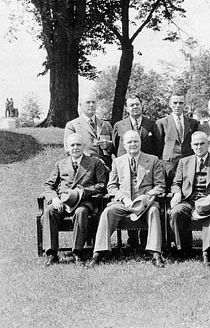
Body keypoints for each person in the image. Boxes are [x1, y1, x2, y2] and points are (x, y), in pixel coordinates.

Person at [88, 130, 166, 268]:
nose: (133, 144)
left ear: (140, 143)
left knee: (154, 211)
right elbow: (111, 186)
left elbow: (160, 185)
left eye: (135, 141)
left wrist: (146, 197)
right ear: (124, 145)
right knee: (108, 212)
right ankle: (99, 252)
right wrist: (124, 199)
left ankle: (155, 253)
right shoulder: (117, 162)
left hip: (145, 203)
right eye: (129, 142)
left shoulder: (153, 160)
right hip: (124, 203)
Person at [41, 133, 107, 265]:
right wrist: (54, 198)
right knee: (49, 212)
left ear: (84, 146)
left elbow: (101, 185)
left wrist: (83, 192)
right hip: (63, 202)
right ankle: (51, 253)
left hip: (83, 201)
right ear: (67, 148)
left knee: (81, 212)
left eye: (78, 144)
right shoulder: (60, 164)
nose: (75, 147)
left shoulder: (94, 163)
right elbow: (48, 186)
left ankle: (77, 252)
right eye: (72, 145)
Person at [169, 132, 210, 265]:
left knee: (209, 215)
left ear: (208, 144)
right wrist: (177, 193)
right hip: (188, 200)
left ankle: (206, 252)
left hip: (208, 200)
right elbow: (176, 183)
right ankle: (183, 250)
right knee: (175, 213)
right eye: (196, 144)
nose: (199, 147)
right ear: (191, 146)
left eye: (202, 143)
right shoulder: (184, 162)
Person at [112, 95, 156, 248]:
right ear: (127, 108)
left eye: (137, 104)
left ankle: (145, 239)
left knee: (142, 197)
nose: (135, 107)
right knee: (130, 195)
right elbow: (114, 146)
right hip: (126, 167)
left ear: (141, 106)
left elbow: (157, 145)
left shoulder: (151, 124)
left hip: (146, 167)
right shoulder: (119, 125)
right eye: (131, 105)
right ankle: (132, 240)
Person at [153, 93, 200, 186]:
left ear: (184, 105)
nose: (178, 106)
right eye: (175, 103)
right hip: (169, 165)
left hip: (188, 163)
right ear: (170, 104)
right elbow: (158, 146)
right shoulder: (161, 123)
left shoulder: (193, 123)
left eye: (181, 103)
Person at [64, 93, 113, 167]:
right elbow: (69, 149)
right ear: (80, 105)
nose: (91, 105)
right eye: (88, 102)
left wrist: (109, 145)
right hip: (83, 168)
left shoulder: (106, 125)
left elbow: (116, 147)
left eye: (93, 102)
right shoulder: (72, 125)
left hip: (105, 167)